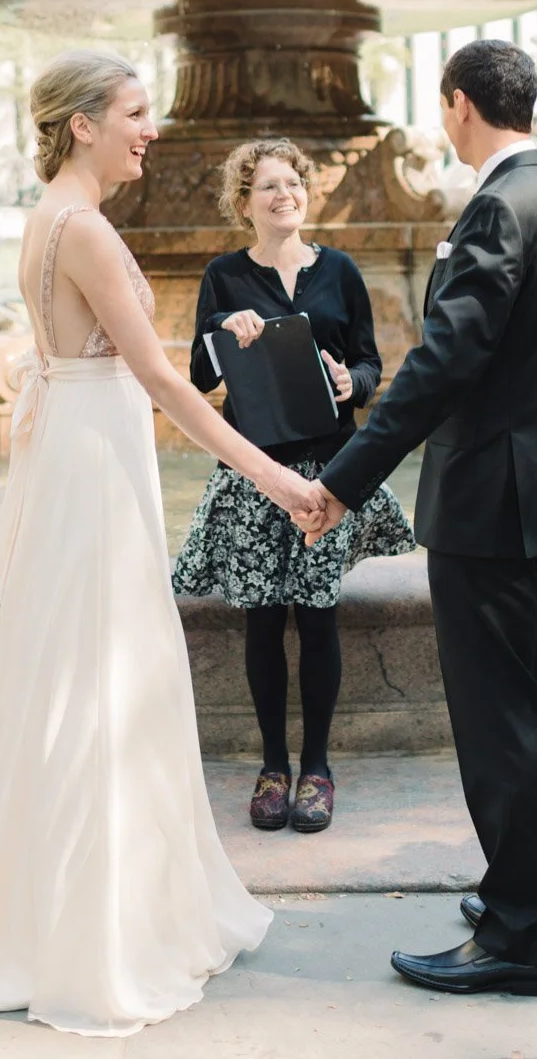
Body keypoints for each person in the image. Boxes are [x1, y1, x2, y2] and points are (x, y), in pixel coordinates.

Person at [0, 51, 326, 1037]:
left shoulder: (46, 222)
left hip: (80, 456)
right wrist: (275, 477)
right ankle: (98, 939)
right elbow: (164, 384)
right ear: (82, 126)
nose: (152, 129)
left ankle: (41, 918)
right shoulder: (88, 230)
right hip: (98, 472)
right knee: (102, 685)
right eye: (136, 112)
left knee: (69, 682)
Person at [297, 39, 537, 1000]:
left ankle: (517, 935)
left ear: (460, 105)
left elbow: (440, 365)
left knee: (500, 717)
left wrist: (343, 479)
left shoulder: (497, 209)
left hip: (485, 504)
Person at [173, 139, 414, 835]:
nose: (284, 194)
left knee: (316, 613)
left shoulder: (339, 271)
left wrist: (353, 381)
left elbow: (371, 363)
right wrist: (223, 330)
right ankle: (273, 765)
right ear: (243, 203)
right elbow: (197, 376)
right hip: (254, 470)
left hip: (327, 470)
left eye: (293, 183)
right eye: (268, 186)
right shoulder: (223, 277)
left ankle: (317, 767)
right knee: (261, 616)